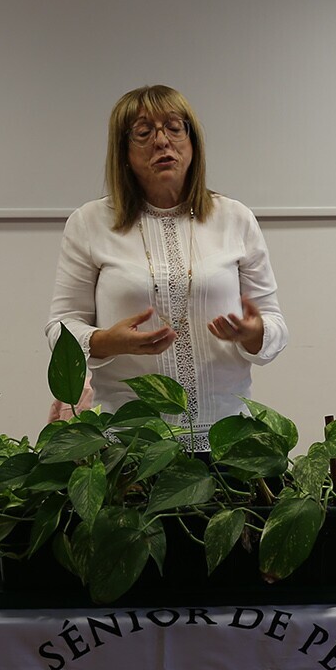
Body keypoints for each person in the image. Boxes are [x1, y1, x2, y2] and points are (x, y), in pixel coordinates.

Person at [47, 85, 287, 439]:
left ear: (193, 142)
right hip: (131, 441)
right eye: (144, 133)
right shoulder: (89, 223)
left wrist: (255, 333)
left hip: (227, 438)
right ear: (124, 151)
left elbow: (276, 325)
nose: (162, 141)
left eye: (174, 128)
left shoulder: (235, 218)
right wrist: (107, 341)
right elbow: (60, 329)